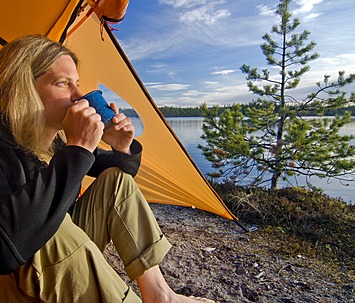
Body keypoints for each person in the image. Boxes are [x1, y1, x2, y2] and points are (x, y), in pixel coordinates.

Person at [0, 35, 217, 303]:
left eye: (77, 84)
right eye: (62, 83)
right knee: (58, 229)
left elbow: (120, 170)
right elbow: (6, 247)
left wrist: (120, 147)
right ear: (24, 90)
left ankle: (160, 295)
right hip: (15, 278)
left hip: (58, 260)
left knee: (115, 182)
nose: (79, 97)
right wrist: (78, 149)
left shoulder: (56, 142)